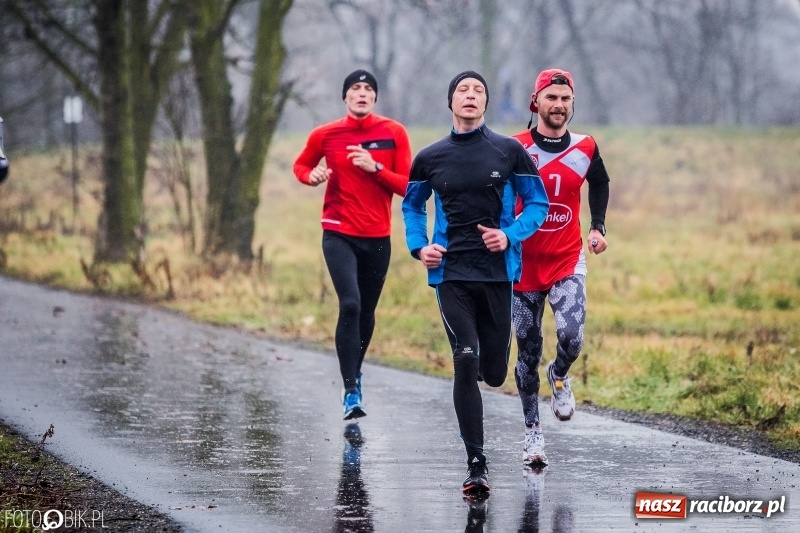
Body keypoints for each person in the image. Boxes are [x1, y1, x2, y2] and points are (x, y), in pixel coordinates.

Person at [402, 71, 549, 495]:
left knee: (494, 372)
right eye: (463, 90)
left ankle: (492, 366)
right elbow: (412, 206)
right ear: (450, 101)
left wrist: (509, 235)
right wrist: (419, 247)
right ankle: (476, 464)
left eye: (478, 90)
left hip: (498, 274)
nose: (470, 96)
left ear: (486, 103)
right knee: (464, 359)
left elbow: (538, 203)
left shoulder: (508, 151)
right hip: (451, 273)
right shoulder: (430, 157)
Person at [293, 70, 412, 420]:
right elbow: (302, 165)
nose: (362, 94)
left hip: (377, 237)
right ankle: (350, 390)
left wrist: (375, 167)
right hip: (339, 233)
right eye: (355, 89)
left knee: (367, 312)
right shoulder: (327, 134)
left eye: (368, 89)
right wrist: (310, 176)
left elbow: (408, 186)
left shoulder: (393, 133)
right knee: (350, 304)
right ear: (345, 97)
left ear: (375, 97)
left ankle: (354, 374)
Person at [511, 69, 610, 467]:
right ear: (536, 103)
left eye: (565, 99)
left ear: (573, 104)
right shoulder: (514, 147)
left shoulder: (586, 146)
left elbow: (600, 182)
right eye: (551, 98)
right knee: (526, 350)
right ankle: (533, 432)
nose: (559, 105)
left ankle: (561, 374)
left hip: (567, 257)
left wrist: (598, 226)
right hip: (520, 265)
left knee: (571, 338)